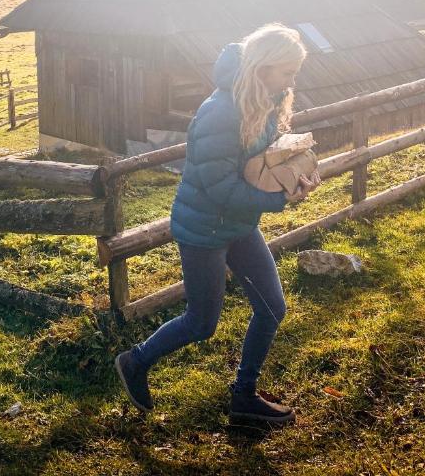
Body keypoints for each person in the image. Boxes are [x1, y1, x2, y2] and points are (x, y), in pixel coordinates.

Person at [114, 22, 321, 425]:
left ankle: (243, 397)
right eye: (287, 73)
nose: (292, 82)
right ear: (262, 68)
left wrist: (293, 173)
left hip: (239, 224)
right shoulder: (220, 112)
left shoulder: (264, 102)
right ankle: (134, 361)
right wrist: (277, 200)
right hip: (204, 229)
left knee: (271, 308)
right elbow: (220, 188)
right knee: (201, 323)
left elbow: (257, 164)